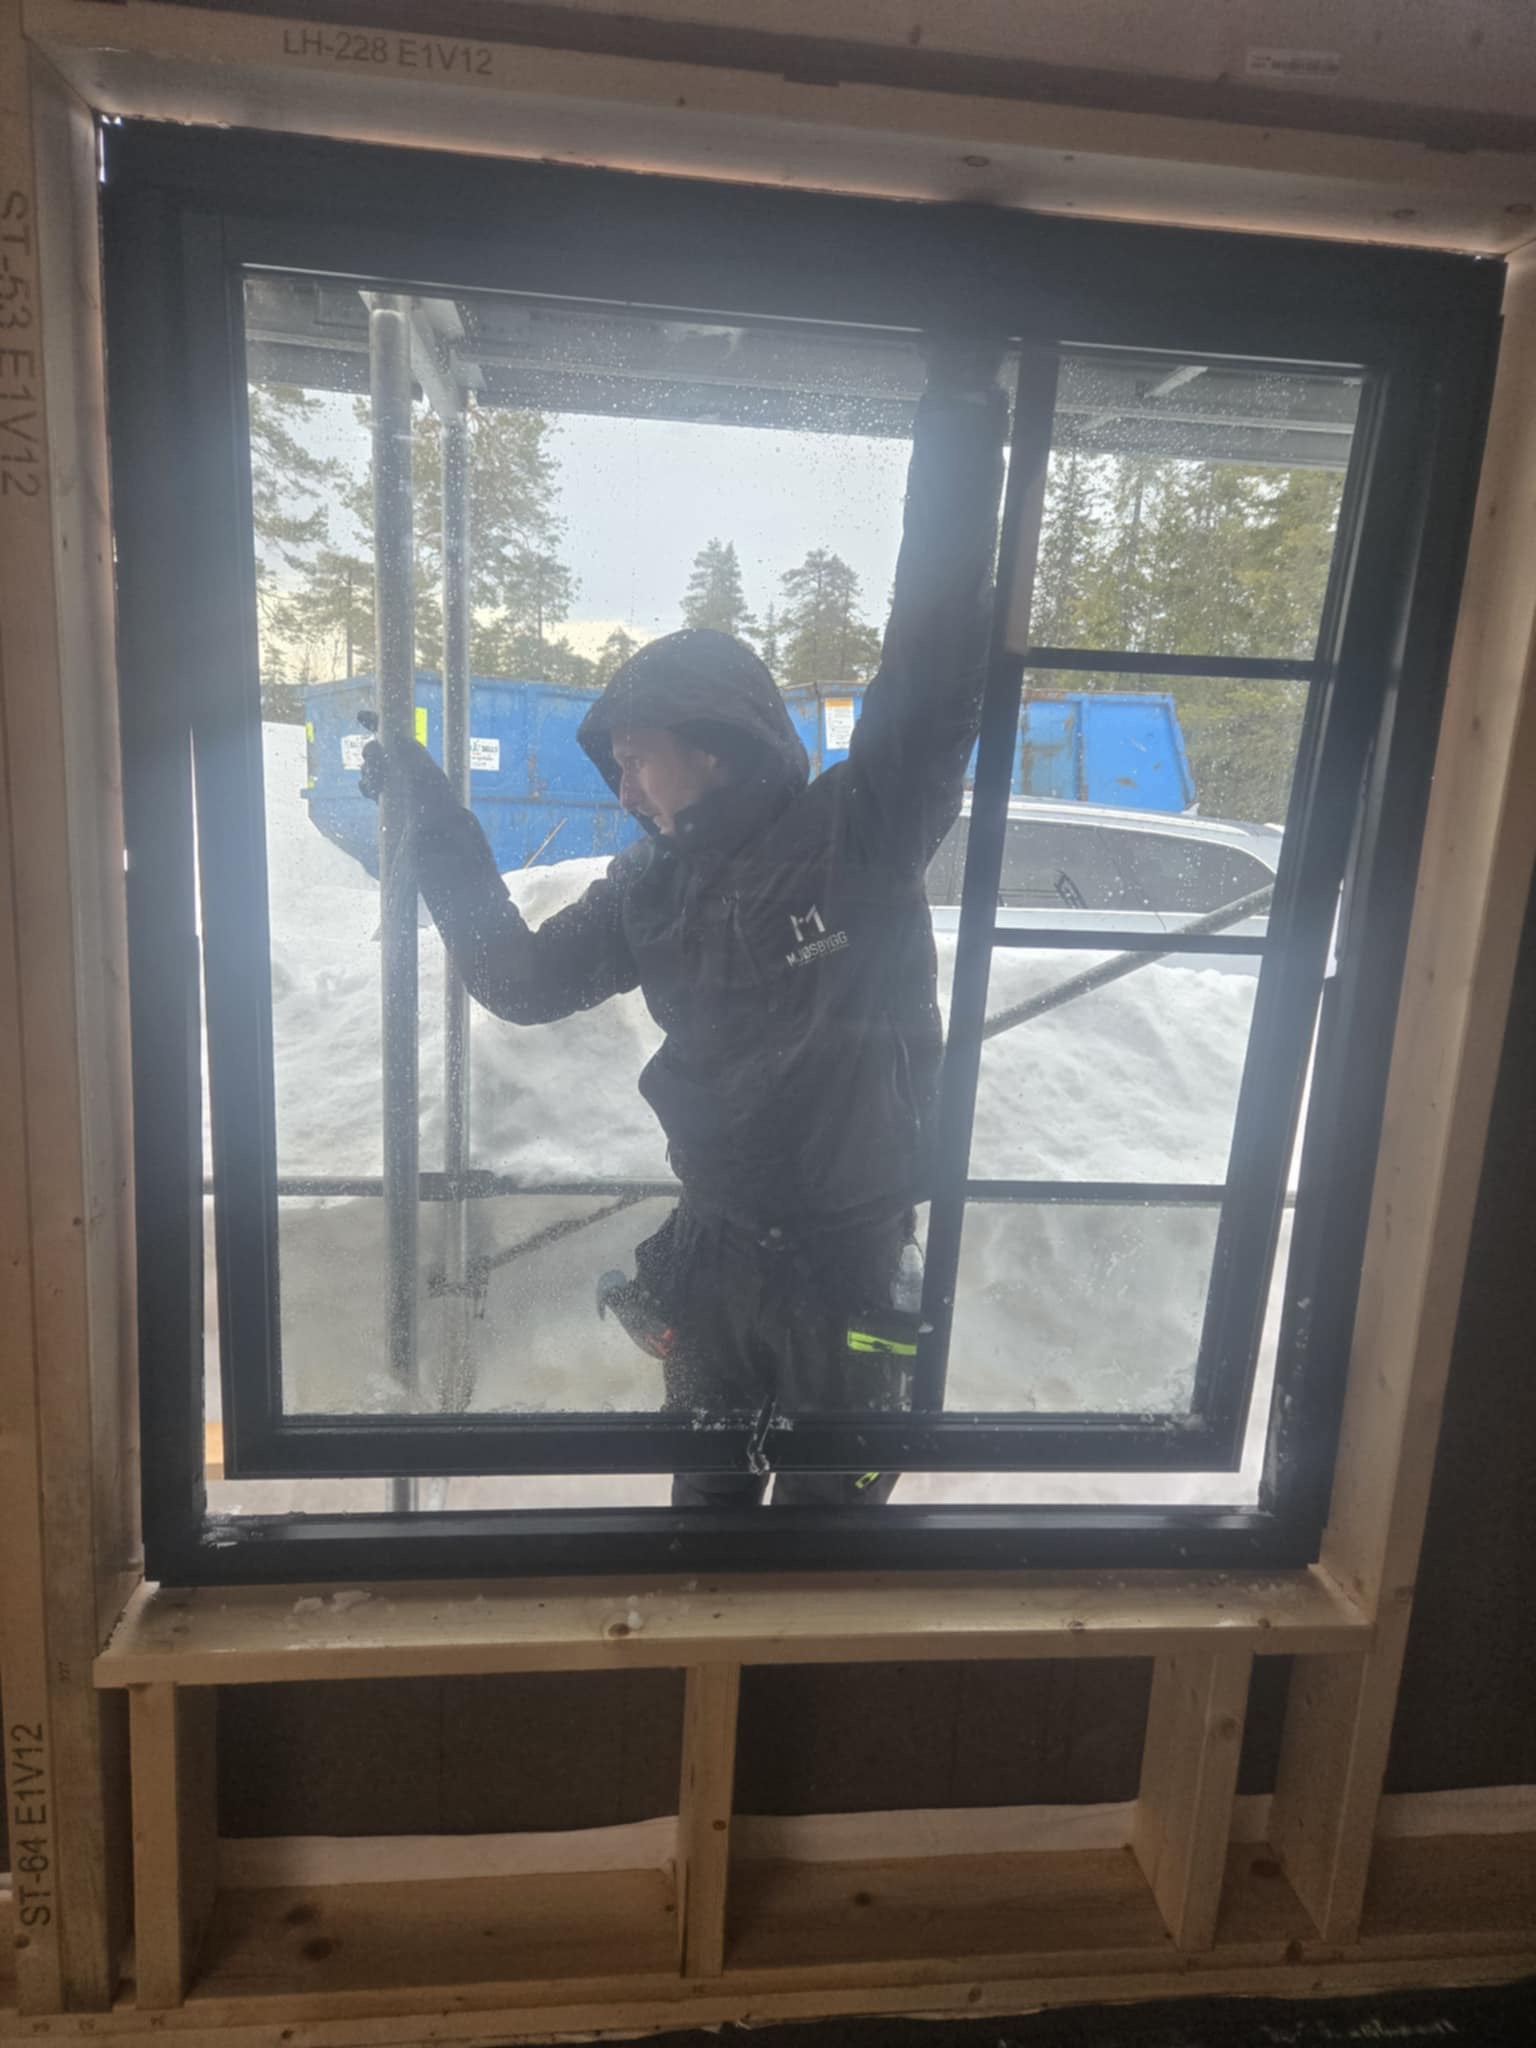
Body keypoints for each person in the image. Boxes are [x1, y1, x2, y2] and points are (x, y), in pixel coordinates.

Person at [361, 340, 1008, 1507]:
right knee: (701, 1532)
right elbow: (518, 979)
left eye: (636, 756)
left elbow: (935, 661)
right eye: (614, 765)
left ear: (714, 743)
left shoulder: (856, 830)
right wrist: (437, 828)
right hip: (713, 1264)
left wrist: (961, 412)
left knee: (828, 1544)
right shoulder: (650, 883)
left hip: (850, 1274)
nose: (623, 788)